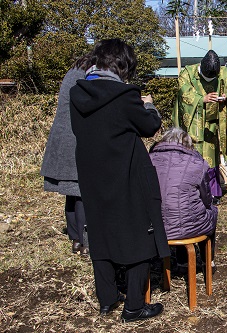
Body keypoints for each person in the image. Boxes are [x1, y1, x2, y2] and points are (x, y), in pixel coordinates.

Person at [70, 39, 170, 322]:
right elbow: (150, 127)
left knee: (100, 233)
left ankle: (107, 299)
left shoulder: (78, 95)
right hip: (126, 174)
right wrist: (149, 106)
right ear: (123, 66)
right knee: (139, 237)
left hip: (91, 174)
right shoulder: (124, 96)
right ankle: (134, 307)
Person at [172, 50, 227, 201]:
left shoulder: (224, 73)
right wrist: (201, 99)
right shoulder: (188, 73)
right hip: (192, 123)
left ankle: (212, 192)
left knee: (211, 157)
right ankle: (192, 193)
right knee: (193, 156)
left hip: (212, 124)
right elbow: (183, 92)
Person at [40, 53, 90, 256]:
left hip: (62, 137)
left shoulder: (72, 72)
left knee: (71, 192)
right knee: (82, 192)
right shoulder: (84, 75)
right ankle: (86, 242)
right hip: (74, 138)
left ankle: (76, 238)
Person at [149, 127, 218, 270]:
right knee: (210, 212)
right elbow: (206, 199)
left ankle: (182, 261)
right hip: (187, 227)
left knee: (177, 211)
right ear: (188, 144)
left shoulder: (149, 159)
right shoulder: (197, 163)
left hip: (153, 225)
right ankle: (207, 261)